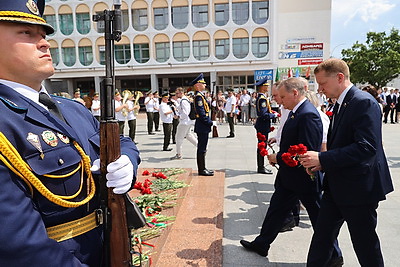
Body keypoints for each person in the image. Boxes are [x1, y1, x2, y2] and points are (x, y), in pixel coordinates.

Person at [0, 2, 140, 266]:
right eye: (26, 34)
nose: (44, 44)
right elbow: (21, 247)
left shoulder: (72, 108)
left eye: (43, 35)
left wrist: (127, 163)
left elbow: (120, 142)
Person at [299, 58, 393, 267]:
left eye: (323, 83)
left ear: (340, 77)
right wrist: (321, 162)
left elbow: (366, 147)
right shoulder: (343, 103)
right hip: (338, 185)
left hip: (359, 189)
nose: (320, 90)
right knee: (322, 238)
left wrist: (323, 158)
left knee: (365, 244)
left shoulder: (363, 102)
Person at [240, 78, 342, 265]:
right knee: (276, 209)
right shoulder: (296, 112)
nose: (280, 100)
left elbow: (307, 151)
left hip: (305, 178)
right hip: (291, 177)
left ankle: (334, 256)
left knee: (320, 219)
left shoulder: (308, 114)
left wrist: (278, 157)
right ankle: (262, 243)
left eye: (283, 96)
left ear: (295, 93)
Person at [191, 73, 214, 176]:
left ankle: (203, 168)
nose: (205, 85)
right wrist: (210, 122)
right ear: (197, 85)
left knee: (203, 148)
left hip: (203, 125)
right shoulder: (198, 97)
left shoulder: (201, 96)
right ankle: (201, 169)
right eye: (202, 83)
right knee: (202, 148)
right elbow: (201, 113)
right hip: (202, 125)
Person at [254, 77, 276, 174]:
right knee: (262, 146)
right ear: (262, 87)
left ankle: (261, 166)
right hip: (263, 125)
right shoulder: (262, 99)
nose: (267, 86)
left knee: (262, 146)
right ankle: (261, 167)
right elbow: (263, 114)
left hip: (262, 125)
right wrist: (273, 115)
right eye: (266, 85)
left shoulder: (262, 97)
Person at [171, 87, 197, 160]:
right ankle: (201, 148)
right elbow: (181, 109)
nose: (176, 95)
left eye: (177, 93)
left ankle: (178, 154)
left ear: (181, 93)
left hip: (185, 122)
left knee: (178, 137)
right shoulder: (183, 100)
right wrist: (175, 104)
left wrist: (178, 116)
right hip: (187, 121)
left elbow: (185, 113)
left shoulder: (184, 100)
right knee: (188, 135)